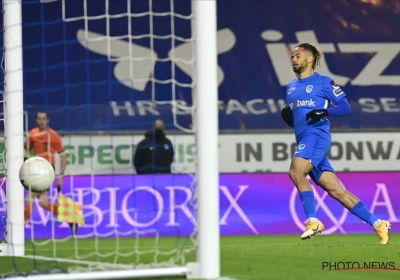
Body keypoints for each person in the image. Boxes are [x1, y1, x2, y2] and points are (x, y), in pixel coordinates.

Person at [280, 43, 391, 244]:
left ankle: (313, 221)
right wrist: (290, 117)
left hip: (317, 135)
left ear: (310, 59)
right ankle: (378, 223)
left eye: (298, 56)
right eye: (292, 57)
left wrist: (325, 111)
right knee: (336, 191)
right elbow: (298, 116)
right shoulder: (291, 87)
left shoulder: (324, 82)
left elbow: (345, 107)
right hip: (305, 137)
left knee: (296, 172)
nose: (293, 59)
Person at [24, 111, 78, 236]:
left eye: (44, 118)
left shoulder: (53, 135)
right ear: (36, 120)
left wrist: (61, 176)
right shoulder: (32, 134)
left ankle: (21, 226)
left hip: (48, 169)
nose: (41, 121)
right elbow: (25, 148)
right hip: (36, 169)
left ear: (47, 120)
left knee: (29, 197)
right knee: (43, 202)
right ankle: (71, 218)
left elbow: (63, 156)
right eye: (39, 118)